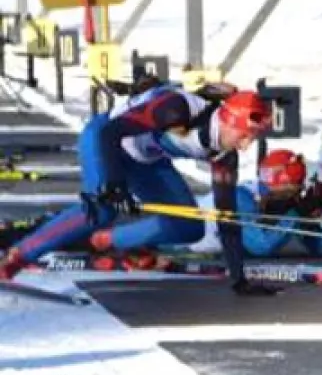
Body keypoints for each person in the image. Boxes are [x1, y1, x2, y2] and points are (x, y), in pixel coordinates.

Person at [0, 79, 276, 293]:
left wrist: (239, 279)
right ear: (228, 119)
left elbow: (226, 218)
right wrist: (115, 184)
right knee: (103, 209)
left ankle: (102, 240)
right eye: (245, 135)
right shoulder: (178, 109)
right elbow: (110, 133)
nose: (245, 145)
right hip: (105, 140)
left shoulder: (225, 156)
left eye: (252, 138)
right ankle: (16, 258)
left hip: (146, 159)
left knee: (189, 226)